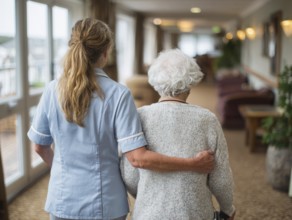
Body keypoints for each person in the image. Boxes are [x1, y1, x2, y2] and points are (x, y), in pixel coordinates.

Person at [27, 18, 215, 220]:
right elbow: (137, 158)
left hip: (62, 199)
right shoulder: (118, 94)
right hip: (105, 203)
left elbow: (40, 146)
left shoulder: (51, 90)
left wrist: (64, 173)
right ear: (106, 52)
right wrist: (191, 164)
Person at [121, 49, 236, 220]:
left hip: (148, 213)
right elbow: (220, 178)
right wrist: (228, 209)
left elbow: (129, 174)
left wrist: (149, 196)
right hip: (194, 212)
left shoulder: (139, 116)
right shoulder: (207, 120)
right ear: (190, 84)